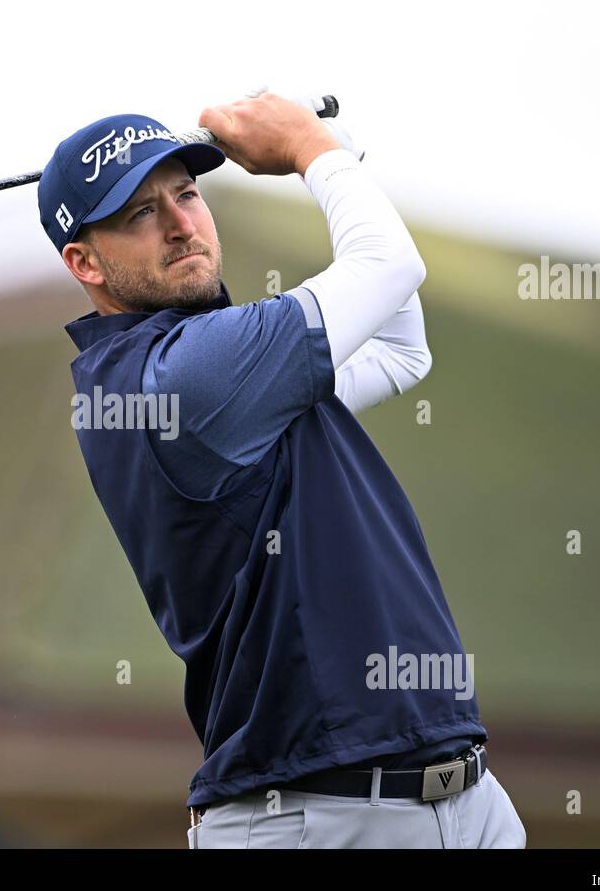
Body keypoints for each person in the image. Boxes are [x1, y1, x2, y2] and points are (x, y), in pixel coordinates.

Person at [37, 91, 526, 848]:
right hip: (318, 818)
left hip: (458, 799)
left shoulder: (212, 374)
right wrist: (308, 148)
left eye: (188, 194)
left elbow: (400, 348)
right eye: (138, 213)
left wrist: (338, 152)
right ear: (84, 262)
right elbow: (388, 265)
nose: (180, 225)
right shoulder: (188, 377)